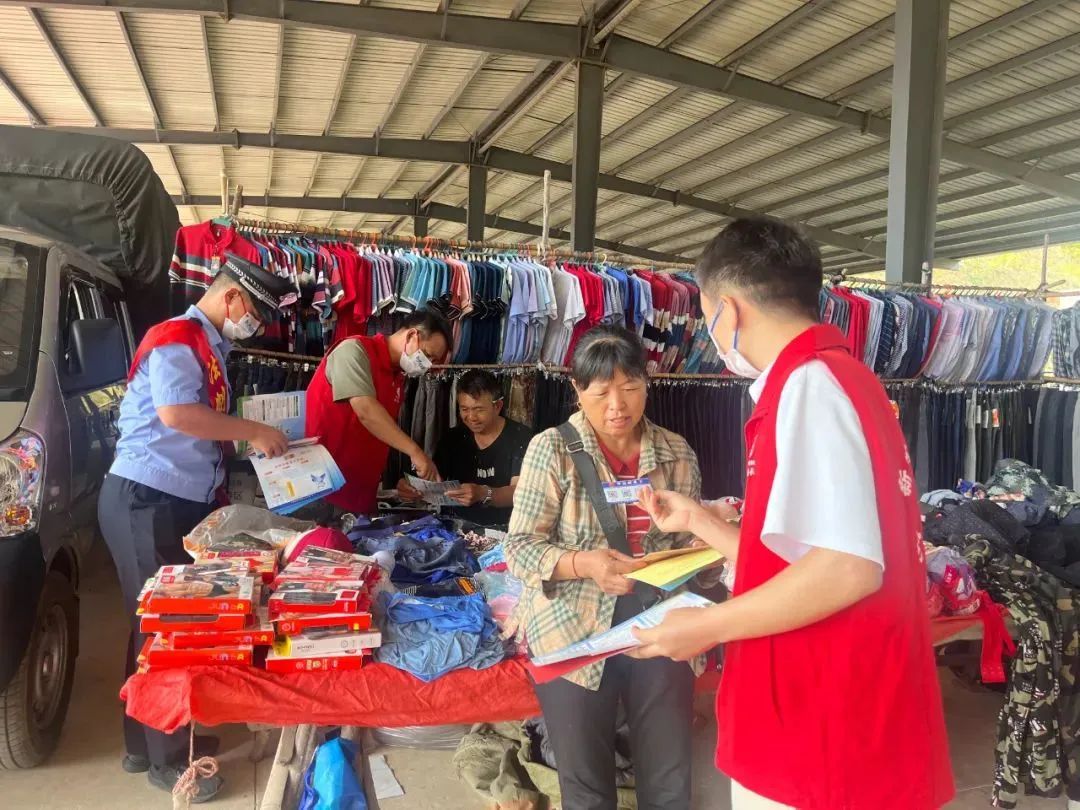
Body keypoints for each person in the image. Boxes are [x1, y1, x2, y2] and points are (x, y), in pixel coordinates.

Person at [632, 217, 955, 810]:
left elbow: (846, 569)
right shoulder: (840, 378)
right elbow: (800, 559)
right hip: (830, 710)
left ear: (728, 310)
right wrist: (700, 521)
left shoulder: (810, 387)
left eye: (706, 315)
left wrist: (705, 626)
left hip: (821, 722)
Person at [98, 253, 296, 802]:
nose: (255, 324)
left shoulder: (208, 348)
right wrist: (252, 430)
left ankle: (145, 741)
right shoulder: (177, 340)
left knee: (151, 623)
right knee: (164, 629)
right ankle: (167, 760)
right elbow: (177, 414)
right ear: (232, 297)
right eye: (255, 313)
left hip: (169, 500)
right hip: (146, 499)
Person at [504, 325, 702, 810]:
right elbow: (519, 548)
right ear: (577, 390)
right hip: (571, 630)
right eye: (601, 392)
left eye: (630, 388)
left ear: (647, 383)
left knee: (671, 776)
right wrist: (583, 564)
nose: (618, 406)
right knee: (587, 787)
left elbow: (689, 546)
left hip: (658, 624)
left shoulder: (676, 453)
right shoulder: (552, 449)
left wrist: (708, 547)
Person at [305, 311, 453, 516]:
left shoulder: (397, 377)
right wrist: (416, 452)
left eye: (433, 361)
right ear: (412, 335)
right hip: (322, 491)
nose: (427, 365)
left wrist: (399, 485)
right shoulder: (353, 351)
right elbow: (366, 410)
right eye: (427, 355)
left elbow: (382, 434)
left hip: (359, 495)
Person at [396, 369, 533, 525]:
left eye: (479, 409)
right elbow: (432, 479)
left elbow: (521, 492)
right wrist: (410, 487)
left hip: (505, 527)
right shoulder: (453, 438)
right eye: (464, 409)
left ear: (497, 406)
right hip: (456, 526)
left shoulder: (521, 438)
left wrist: (483, 493)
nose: (471, 417)